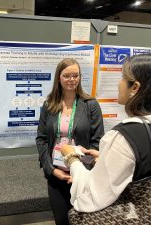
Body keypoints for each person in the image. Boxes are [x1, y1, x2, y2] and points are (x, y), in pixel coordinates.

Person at [60, 54, 151, 213]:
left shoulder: (124, 137)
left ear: (135, 87)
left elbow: (90, 196)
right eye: (66, 76)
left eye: (122, 77)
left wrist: (72, 158)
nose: (119, 83)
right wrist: (105, 158)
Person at [36, 58, 104, 225]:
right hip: (57, 174)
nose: (72, 79)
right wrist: (51, 169)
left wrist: (81, 170)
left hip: (83, 174)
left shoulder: (90, 105)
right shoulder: (49, 104)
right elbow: (42, 139)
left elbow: (97, 141)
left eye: (75, 75)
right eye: (67, 75)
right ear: (59, 78)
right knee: (61, 220)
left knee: (83, 220)